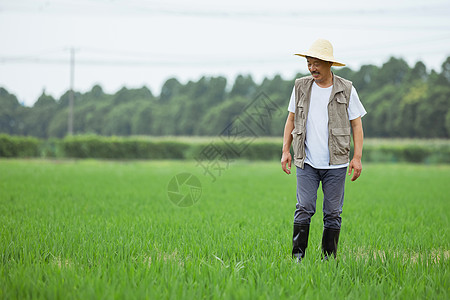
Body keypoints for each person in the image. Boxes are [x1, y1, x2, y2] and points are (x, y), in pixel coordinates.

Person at [281, 38, 367, 262]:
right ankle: (297, 259)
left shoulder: (346, 89)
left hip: (336, 164)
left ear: (329, 64)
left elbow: (356, 124)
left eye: (316, 63)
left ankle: (328, 261)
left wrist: (357, 158)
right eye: (309, 63)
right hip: (306, 162)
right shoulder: (300, 86)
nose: (312, 68)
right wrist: (285, 151)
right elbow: (290, 120)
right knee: (304, 207)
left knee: (332, 213)